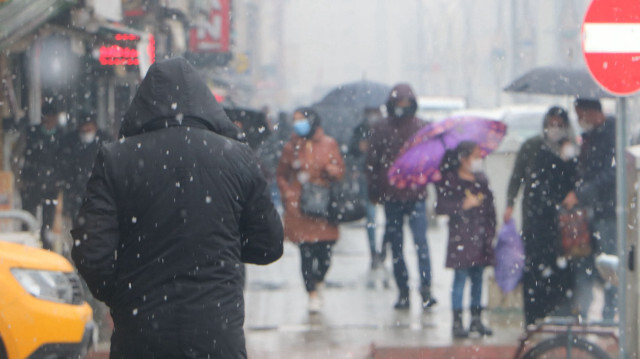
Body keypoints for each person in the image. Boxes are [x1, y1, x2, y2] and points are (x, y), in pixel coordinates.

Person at [71, 58, 284, 359]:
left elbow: (91, 251)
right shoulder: (237, 157)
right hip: (216, 331)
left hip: (141, 332)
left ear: (143, 103)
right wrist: (220, 249)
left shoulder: (116, 159)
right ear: (206, 102)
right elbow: (270, 244)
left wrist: (122, 295)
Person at [503, 106, 577, 326]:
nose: (554, 129)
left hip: (562, 221)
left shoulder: (570, 148)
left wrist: (568, 157)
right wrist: (510, 203)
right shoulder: (532, 146)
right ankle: (533, 317)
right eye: (551, 124)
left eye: (559, 125)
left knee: (561, 271)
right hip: (535, 218)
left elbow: (577, 178)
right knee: (534, 268)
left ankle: (559, 315)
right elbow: (517, 177)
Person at [366, 83, 437, 310]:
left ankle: (425, 289)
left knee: (420, 244)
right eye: (399, 104)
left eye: (406, 104)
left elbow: (432, 160)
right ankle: (404, 291)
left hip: (414, 195)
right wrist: (376, 191)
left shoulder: (421, 128)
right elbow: (372, 163)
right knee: (398, 248)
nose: (402, 109)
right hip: (393, 197)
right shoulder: (381, 129)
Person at [276, 107, 344, 314]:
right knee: (306, 252)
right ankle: (311, 292)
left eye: (301, 120)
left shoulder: (329, 144)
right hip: (301, 207)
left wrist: (333, 171)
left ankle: (318, 279)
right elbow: (281, 174)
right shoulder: (291, 147)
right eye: (295, 120)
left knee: (325, 253)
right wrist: (288, 193)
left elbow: (340, 170)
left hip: (324, 205)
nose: (298, 124)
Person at [562, 98, 616, 321]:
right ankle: (581, 312)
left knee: (610, 263)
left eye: (580, 114)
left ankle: (608, 315)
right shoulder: (587, 138)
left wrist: (583, 193)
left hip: (608, 211)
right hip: (586, 213)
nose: (579, 120)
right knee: (583, 263)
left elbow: (610, 174)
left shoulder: (612, 134)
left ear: (591, 112)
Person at [436, 141, 496, 338]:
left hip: (480, 237)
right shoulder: (450, 180)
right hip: (460, 237)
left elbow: (490, 209)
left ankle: (476, 319)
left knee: (478, 279)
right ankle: (457, 321)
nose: (479, 160)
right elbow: (441, 207)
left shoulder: (482, 180)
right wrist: (462, 205)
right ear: (463, 159)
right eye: (476, 156)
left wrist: (490, 232)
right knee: (460, 279)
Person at [17, 100, 64, 250]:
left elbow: (65, 162)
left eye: (53, 116)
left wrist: (60, 182)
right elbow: (16, 156)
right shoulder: (31, 133)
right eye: (47, 116)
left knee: (48, 224)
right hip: (31, 183)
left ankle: (46, 251)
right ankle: (26, 249)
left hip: (51, 186)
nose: (50, 120)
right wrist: (20, 179)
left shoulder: (62, 137)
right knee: (27, 220)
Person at [59, 112, 112, 222]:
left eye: (89, 126)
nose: (86, 129)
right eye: (84, 126)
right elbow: (65, 166)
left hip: (99, 191)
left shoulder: (105, 141)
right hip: (76, 191)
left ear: (95, 126)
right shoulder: (70, 142)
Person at [348, 107, 382, 269]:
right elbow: (352, 151)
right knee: (371, 215)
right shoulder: (360, 130)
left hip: (381, 176)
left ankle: (382, 248)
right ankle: (374, 251)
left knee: (388, 218)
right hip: (366, 177)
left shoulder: (384, 129)